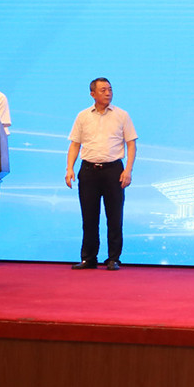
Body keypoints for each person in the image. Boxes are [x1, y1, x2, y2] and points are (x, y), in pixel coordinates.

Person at [64, 78, 137, 271]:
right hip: (88, 171)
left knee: (115, 217)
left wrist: (128, 170)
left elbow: (131, 144)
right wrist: (69, 168)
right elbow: (75, 144)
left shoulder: (122, 115)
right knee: (89, 217)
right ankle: (88, 258)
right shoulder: (83, 116)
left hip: (114, 171)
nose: (108, 93)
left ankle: (113, 258)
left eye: (110, 89)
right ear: (92, 94)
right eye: (103, 90)